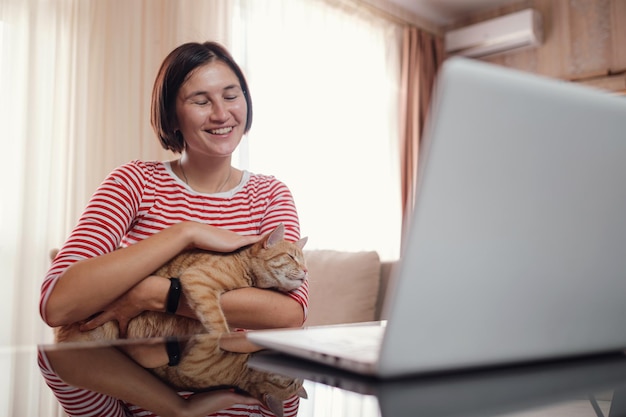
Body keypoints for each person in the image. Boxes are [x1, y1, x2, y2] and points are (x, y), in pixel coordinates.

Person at [39, 41, 308, 417]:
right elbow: (57, 302)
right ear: (171, 115)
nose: (221, 113)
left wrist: (155, 293)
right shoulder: (132, 182)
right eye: (200, 101)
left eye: (231, 96)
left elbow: (289, 314)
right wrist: (185, 232)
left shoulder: (269, 195)